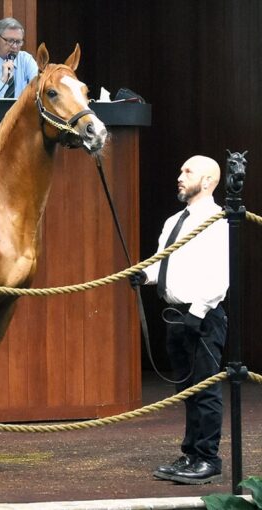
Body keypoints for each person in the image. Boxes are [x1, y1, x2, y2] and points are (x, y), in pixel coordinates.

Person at [131, 155, 229, 485]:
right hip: (176, 316)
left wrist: (197, 314)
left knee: (205, 390)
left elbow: (220, 277)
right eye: (180, 169)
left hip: (201, 317)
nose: (180, 175)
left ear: (208, 181)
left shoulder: (217, 219)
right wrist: (143, 276)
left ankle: (208, 458)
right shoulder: (175, 220)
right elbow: (163, 265)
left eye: (188, 171)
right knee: (187, 390)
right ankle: (191, 454)